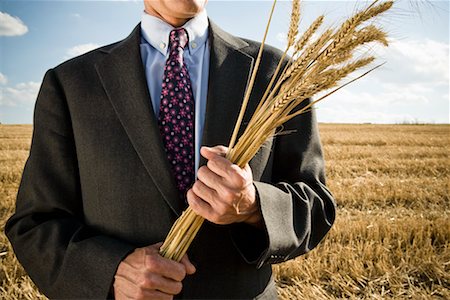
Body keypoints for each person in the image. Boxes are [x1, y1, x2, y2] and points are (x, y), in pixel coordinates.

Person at [6, 0, 336, 299]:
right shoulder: (71, 83)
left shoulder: (275, 72)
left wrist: (252, 206)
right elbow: (36, 223)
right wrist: (111, 272)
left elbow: (317, 206)